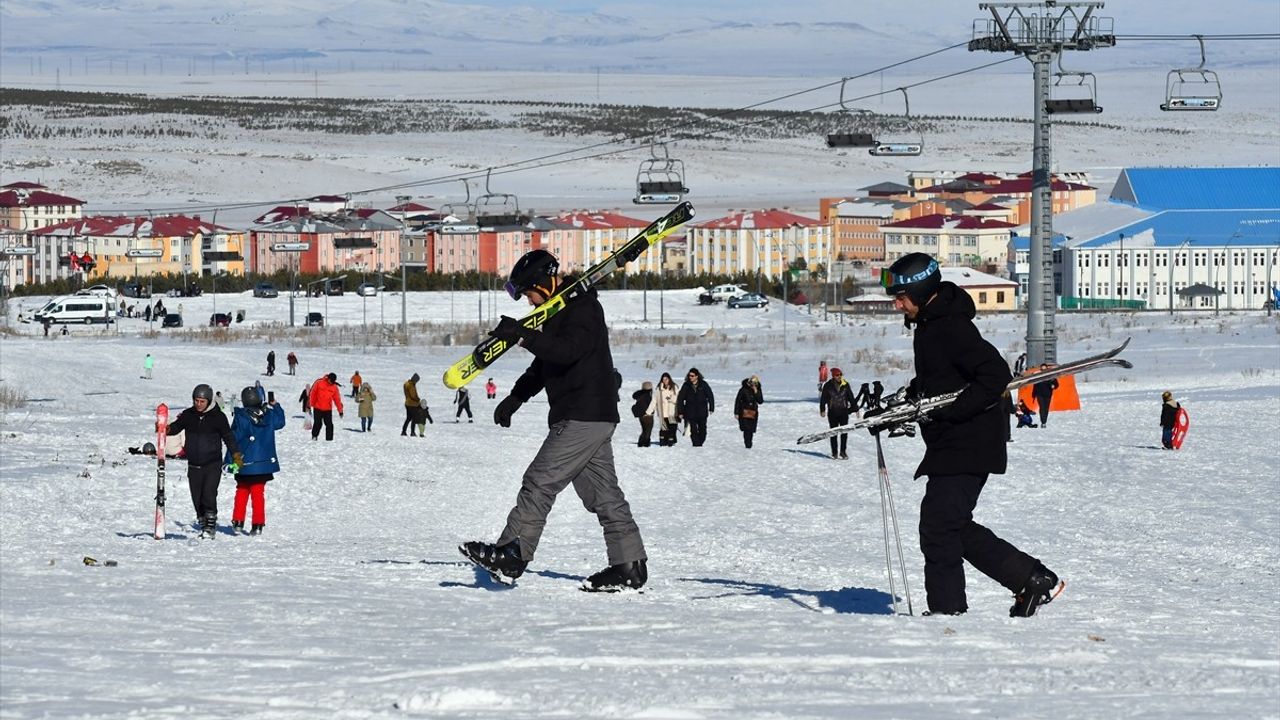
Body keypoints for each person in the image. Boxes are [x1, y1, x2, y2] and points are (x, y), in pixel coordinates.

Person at [881, 252, 1058, 617]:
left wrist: (951, 412)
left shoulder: (950, 327)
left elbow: (994, 375)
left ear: (920, 290)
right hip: (955, 439)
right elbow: (942, 378)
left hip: (969, 439)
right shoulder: (931, 325)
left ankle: (949, 612)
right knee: (946, 525)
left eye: (900, 296)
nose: (896, 303)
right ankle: (1029, 578)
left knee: (939, 525)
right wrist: (910, 399)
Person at [461, 248, 648, 592]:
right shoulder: (558, 311)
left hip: (583, 413)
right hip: (589, 415)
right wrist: (517, 396)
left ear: (544, 284)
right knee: (603, 495)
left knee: (540, 479)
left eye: (530, 294)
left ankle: (512, 553)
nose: (530, 303)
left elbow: (568, 351)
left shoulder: (583, 307)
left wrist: (522, 335)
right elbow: (546, 363)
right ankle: (629, 566)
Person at [166, 383, 242, 539]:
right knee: (197, 497)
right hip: (194, 463)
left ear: (208, 401)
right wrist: (165, 428)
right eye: (196, 401)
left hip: (212, 463)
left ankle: (210, 526)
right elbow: (175, 427)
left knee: (209, 494)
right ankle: (202, 519)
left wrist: (236, 455)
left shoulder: (218, 417)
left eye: (202, 401)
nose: (198, 404)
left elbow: (228, 437)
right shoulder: (188, 415)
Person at [227, 385, 286, 536]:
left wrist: (228, 460)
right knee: (258, 493)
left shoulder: (240, 417)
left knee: (242, 490)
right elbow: (281, 422)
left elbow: (234, 439)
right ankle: (258, 524)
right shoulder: (269, 415)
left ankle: (238, 521)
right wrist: (276, 406)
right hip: (263, 464)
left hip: (244, 462)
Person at [819, 367, 856, 459]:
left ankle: (843, 452)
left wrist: (855, 408)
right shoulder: (828, 385)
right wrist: (822, 409)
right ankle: (834, 452)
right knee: (833, 433)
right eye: (837, 375)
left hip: (843, 411)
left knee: (844, 432)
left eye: (840, 374)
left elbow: (851, 396)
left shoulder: (845, 384)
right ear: (833, 376)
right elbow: (823, 398)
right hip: (832, 412)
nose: (839, 376)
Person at [676, 368, 715, 447]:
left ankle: (699, 443)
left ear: (697, 376)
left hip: (702, 412)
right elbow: (680, 399)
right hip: (690, 412)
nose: (690, 377)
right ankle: (696, 445)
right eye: (689, 375)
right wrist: (680, 411)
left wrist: (711, 408)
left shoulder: (704, 384)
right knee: (693, 430)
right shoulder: (686, 385)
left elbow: (710, 396)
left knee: (703, 430)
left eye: (692, 376)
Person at [308, 372, 344, 441]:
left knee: (329, 425)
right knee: (318, 423)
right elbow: (312, 394)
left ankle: (329, 439)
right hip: (317, 407)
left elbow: (337, 399)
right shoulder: (319, 383)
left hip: (327, 409)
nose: (331, 383)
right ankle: (314, 436)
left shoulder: (334, 387)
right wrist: (310, 405)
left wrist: (340, 411)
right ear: (328, 378)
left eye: (333, 382)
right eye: (331, 381)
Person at [650, 372, 680, 447]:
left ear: (669, 379)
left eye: (666, 379)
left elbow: (678, 398)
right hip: (663, 413)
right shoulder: (659, 389)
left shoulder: (674, 387)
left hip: (672, 412)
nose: (665, 381)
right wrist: (649, 411)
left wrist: (671, 399)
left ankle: (671, 441)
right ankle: (664, 441)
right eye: (663, 379)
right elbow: (654, 400)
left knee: (672, 428)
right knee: (664, 429)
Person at [733, 377, 764, 449]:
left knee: (751, 429)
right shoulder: (743, 389)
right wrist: (736, 412)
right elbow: (737, 401)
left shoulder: (757, 389)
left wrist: (756, 391)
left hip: (753, 412)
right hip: (744, 411)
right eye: (752, 383)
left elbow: (760, 401)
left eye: (754, 384)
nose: (753, 385)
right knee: (746, 429)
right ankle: (748, 444)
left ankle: (749, 443)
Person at [631, 381, 654, 447]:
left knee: (644, 429)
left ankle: (641, 442)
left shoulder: (639, 394)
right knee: (648, 430)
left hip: (641, 415)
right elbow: (651, 405)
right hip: (648, 415)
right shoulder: (648, 395)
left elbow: (634, 395)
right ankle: (646, 443)